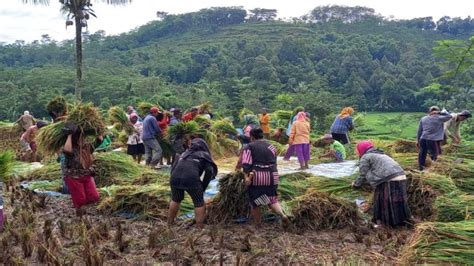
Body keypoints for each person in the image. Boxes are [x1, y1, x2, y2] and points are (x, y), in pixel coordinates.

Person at [352, 140, 411, 228]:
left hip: (388, 179)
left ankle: (386, 224)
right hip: (401, 176)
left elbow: (363, 174)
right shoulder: (381, 154)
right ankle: (404, 222)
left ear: (361, 150)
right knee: (398, 202)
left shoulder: (365, 156)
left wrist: (356, 184)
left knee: (385, 202)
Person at [241, 128, 290, 227]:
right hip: (273, 175)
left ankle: (258, 224)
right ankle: (283, 215)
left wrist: (247, 177)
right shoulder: (271, 146)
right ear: (262, 136)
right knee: (271, 199)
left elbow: (246, 164)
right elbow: (274, 162)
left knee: (255, 201)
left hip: (257, 175)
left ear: (251, 137)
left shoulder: (249, 147)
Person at [168, 138, 218, 228]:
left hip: (174, 178)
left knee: (175, 199)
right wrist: (203, 186)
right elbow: (209, 171)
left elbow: (173, 168)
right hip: (190, 179)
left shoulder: (184, 153)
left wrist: (174, 180)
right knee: (199, 202)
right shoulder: (204, 155)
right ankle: (199, 226)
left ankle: (170, 222)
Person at [62, 123, 100, 216]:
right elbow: (67, 150)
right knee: (80, 200)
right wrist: (69, 135)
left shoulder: (87, 147)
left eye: (82, 137)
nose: (82, 140)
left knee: (94, 196)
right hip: (74, 177)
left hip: (87, 175)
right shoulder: (71, 149)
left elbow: (99, 140)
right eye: (80, 137)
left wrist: (98, 130)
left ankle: (84, 213)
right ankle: (80, 219)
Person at [417, 106, 452, 170]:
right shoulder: (439, 118)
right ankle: (435, 169)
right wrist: (440, 112)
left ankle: (421, 167)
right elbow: (450, 116)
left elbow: (419, 131)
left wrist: (418, 140)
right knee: (436, 155)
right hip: (433, 140)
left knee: (422, 153)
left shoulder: (424, 118)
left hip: (423, 139)